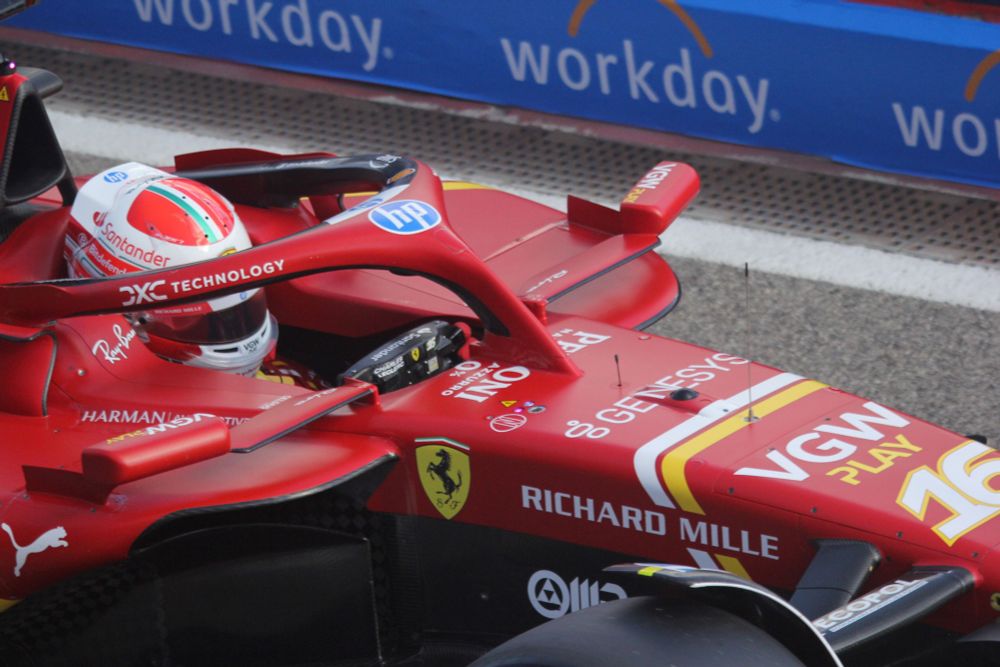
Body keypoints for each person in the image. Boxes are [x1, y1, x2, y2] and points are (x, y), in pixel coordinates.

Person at [64, 162, 325, 388]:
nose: (244, 340)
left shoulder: (294, 379)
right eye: (202, 324)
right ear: (130, 317)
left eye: (243, 312)